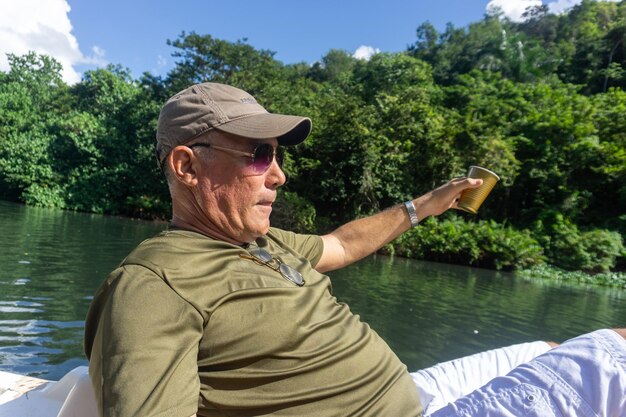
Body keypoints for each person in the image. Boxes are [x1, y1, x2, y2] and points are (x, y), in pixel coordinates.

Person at [84, 82, 626, 417]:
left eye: (275, 154)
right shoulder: (153, 287)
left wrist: (427, 205)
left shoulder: (263, 241)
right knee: (616, 351)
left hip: (411, 394)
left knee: (552, 345)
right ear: (186, 165)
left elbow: (342, 243)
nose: (279, 173)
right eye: (258, 154)